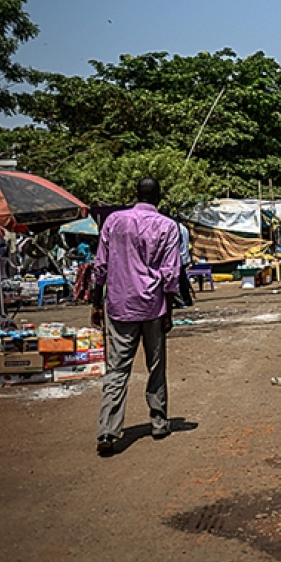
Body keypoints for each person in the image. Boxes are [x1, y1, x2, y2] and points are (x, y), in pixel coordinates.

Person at [92, 177, 182, 456]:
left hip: (120, 304)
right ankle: (158, 421)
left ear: (136, 194)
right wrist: (169, 309)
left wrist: (96, 303)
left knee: (117, 370)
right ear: (159, 196)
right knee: (156, 366)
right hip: (154, 306)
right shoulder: (168, 226)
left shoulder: (113, 221)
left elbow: (100, 265)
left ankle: (108, 429)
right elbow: (171, 273)